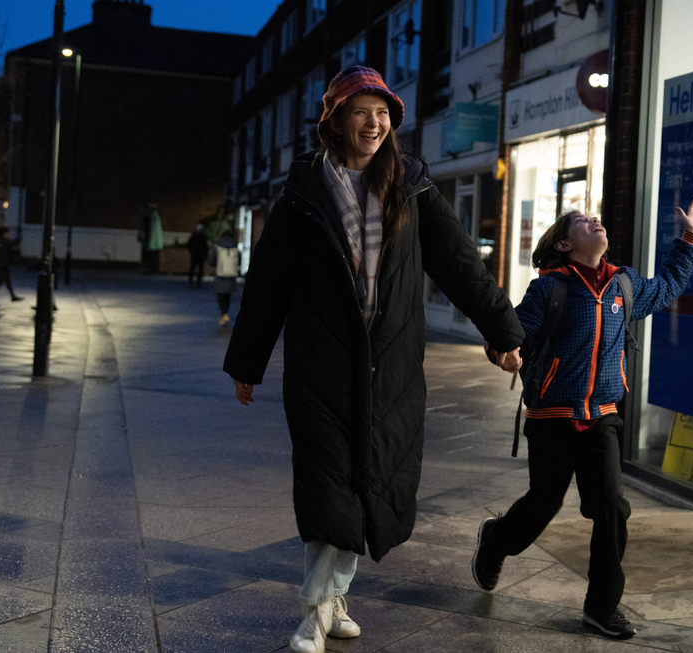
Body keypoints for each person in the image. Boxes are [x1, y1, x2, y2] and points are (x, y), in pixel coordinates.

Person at [222, 66, 524, 653]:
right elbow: (269, 283)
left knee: (367, 487)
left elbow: (459, 263)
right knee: (326, 485)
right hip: (322, 363)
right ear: (334, 119)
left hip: (392, 364)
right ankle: (314, 610)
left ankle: (333, 598)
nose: (374, 122)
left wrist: (501, 329)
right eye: (361, 111)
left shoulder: (411, 183)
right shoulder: (303, 191)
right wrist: (247, 361)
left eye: (383, 112)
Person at [470, 201, 693, 640]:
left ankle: (602, 608)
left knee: (611, 509)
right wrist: (501, 351)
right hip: (552, 416)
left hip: (603, 416)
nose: (594, 219)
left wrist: (690, 238)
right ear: (564, 244)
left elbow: (669, 285)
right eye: (582, 220)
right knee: (542, 505)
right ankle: (497, 540)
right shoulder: (549, 289)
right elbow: (513, 334)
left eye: (595, 216)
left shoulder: (624, 284)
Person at [209, 231, 239, 326]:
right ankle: (225, 312)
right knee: (227, 295)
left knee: (221, 295)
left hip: (220, 274)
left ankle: (223, 313)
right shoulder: (235, 247)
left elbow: (212, 261)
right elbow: (238, 261)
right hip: (231, 275)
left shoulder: (218, 246)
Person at [0, 226, 23, 307]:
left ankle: (12, 296)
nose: (8, 234)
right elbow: (11, 243)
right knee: (1, 280)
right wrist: (19, 237)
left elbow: (8, 248)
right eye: (7, 233)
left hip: (3, 264)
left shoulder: (0, 241)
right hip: (0, 265)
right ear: (4, 233)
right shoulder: (2, 241)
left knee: (7, 281)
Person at [186, 223, 208, 288]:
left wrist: (192, 251)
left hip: (195, 255)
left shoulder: (194, 236)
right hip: (200, 255)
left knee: (193, 268)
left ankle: (191, 281)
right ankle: (198, 281)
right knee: (199, 269)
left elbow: (189, 245)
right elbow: (205, 247)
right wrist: (205, 254)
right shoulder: (203, 236)